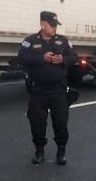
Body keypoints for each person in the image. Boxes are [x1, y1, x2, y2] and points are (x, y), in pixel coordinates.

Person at [18, 11, 78, 165]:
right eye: (52, 25)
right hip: (38, 90)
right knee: (37, 123)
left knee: (61, 122)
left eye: (55, 25)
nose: (54, 28)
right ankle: (39, 151)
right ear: (42, 25)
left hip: (58, 90)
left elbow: (73, 57)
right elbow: (21, 58)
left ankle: (61, 152)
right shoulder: (30, 41)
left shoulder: (62, 41)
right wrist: (41, 58)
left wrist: (63, 59)